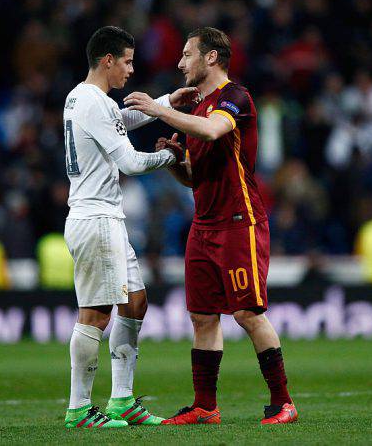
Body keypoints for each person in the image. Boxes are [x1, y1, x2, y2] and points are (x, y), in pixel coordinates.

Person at [124, 27, 297, 426]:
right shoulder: (198, 110)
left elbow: (214, 130)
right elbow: (194, 176)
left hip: (240, 222)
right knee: (202, 317)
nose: (180, 62)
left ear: (211, 58)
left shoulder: (235, 98)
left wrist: (158, 109)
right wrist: (174, 162)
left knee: (247, 313)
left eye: (187, 55)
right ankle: (205, 406)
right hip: (203, 225)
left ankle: (283, 401)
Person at [62, 26, 198, 429]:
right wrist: (170, 158)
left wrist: (165, 102)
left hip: (105, 218)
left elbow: (118, 121)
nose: (131, 69)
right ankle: (79, 409)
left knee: (135, 302)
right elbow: (131, 162)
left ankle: (121, 400)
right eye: (127, 61)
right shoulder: (94, 103)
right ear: (108, 60)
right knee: (96, 315)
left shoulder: (82, 98)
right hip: (96, 218)